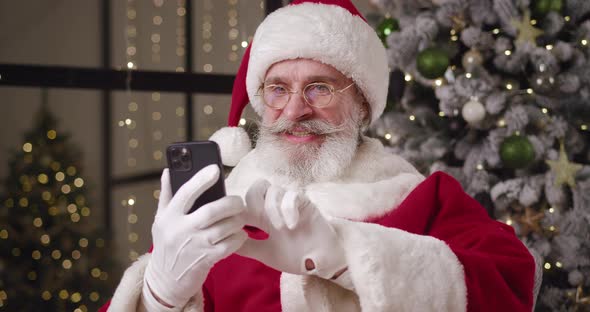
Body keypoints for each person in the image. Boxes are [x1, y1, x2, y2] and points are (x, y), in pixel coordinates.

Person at [101, 0, 537, 311]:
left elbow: (514, 283)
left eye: (319, 88)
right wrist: (159, 295)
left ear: (362, 104)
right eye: (278, 89)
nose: (294, 111)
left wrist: (347, 257)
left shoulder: (419, 198)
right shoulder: (218, 207)